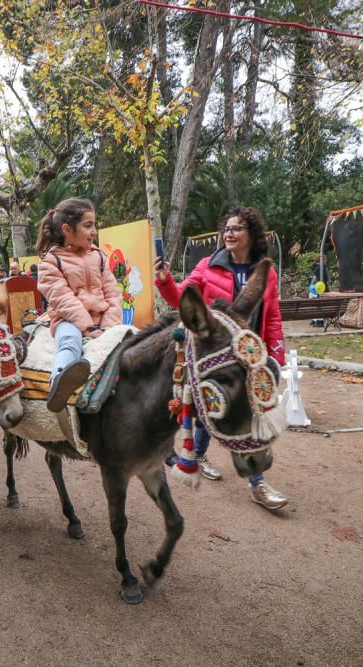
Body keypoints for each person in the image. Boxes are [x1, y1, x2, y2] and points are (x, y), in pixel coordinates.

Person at [155, 207, 288, 511]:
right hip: (214, 355)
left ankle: (258, 483)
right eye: (226, 229)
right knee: (212, 408)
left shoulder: (265, 272)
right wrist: (164, 281)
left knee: (249, 415)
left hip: (249, 356)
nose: (229, 234)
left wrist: (275, 353)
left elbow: (273, 316)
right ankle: (200, 456)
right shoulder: (207, 266)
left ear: (251, 235)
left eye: (236, 229)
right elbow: (181, 301)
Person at [36, 198, 122, 412]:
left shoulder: (99, 257)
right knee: (69, 341)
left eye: (94, 225)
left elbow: (113, 294)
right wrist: (88, 327)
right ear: (67, 229)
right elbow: (63, 299)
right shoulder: (50, 262)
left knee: (131, 338)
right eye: (87, 225)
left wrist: (108, 326)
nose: (94, 231)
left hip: (102, 321)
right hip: (69, 321)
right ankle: (59, 380)